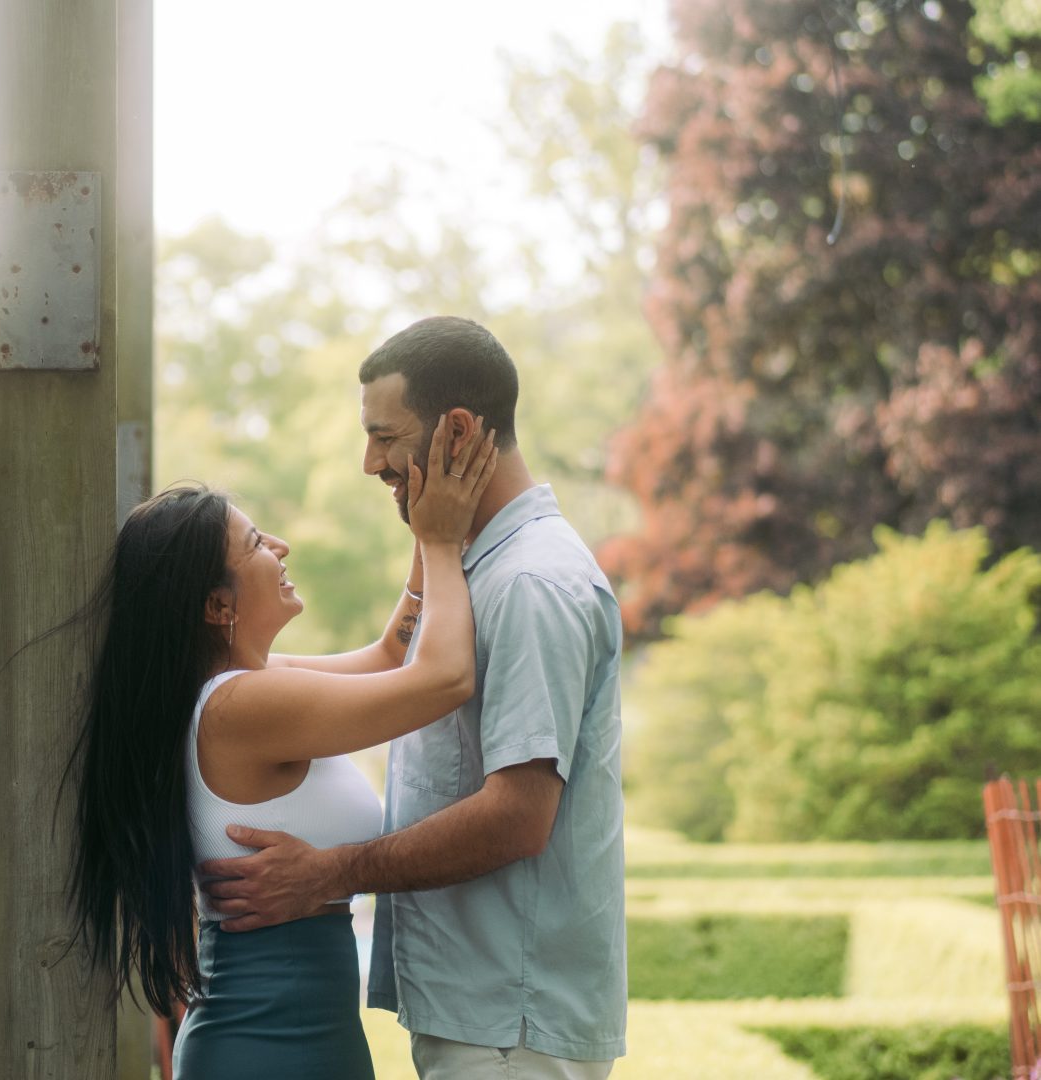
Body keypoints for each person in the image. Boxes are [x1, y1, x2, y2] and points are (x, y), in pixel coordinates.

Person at [200, 316, 627, 1080]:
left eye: (384, 436)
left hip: (511, 1027)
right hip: (479, 1018)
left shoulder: (530, 583)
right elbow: (398, 662)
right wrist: (437, 543)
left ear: (457, 431)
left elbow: (518, 817)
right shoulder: (477, 576)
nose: (369, 462)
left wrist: (330, 873)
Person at [68, 416, 500, 1080]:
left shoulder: (242, 692)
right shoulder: (243, 707)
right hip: (262, 1048)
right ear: (218, 604)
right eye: (256, 544)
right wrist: (443, 543)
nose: (283, 545)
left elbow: (393, 655)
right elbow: (443, 678)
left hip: (308, 1037)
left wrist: (422, 530)